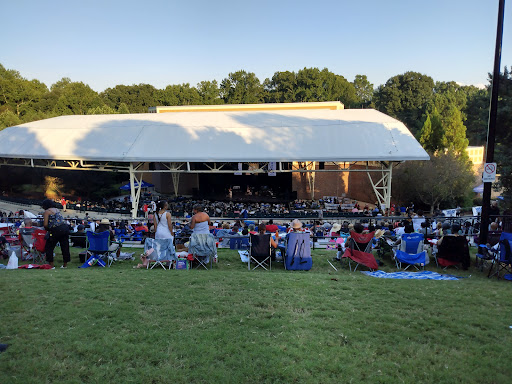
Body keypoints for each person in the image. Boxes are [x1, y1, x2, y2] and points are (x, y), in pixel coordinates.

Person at [42, 199, 70, 269]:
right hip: (65, 228)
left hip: (56, 230)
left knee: (49, 247)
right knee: (65, 246)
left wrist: (48, 229)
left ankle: (51, 265)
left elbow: (45, 224)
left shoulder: (47, 212)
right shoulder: (57, 210)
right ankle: (65, 264)